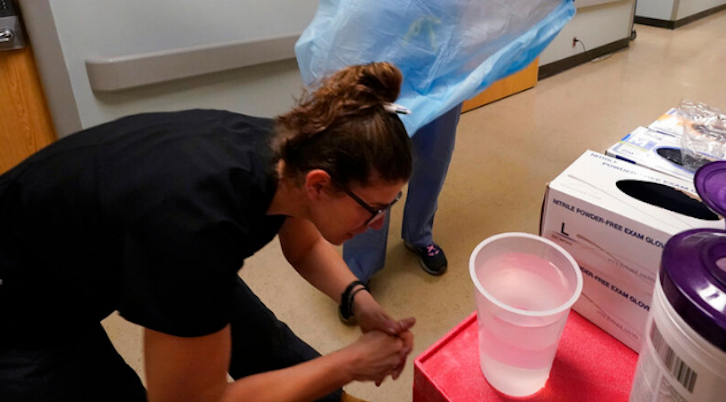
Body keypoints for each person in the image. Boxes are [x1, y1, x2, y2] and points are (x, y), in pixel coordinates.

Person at [0, 62, 417, 402]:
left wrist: (358, 300)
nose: (378, 223)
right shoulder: (193, 233)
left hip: (90, 243)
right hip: (21, 307)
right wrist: (350, 363)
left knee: (243, 323)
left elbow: (304, 246)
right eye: (374, 209)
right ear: (320, 185)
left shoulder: (290, 150)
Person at [342, 0, 582, 286]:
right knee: (375, 162)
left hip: (442, 62)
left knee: (432, 157)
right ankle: (360, 265)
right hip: (383, 61)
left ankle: (418, 233)